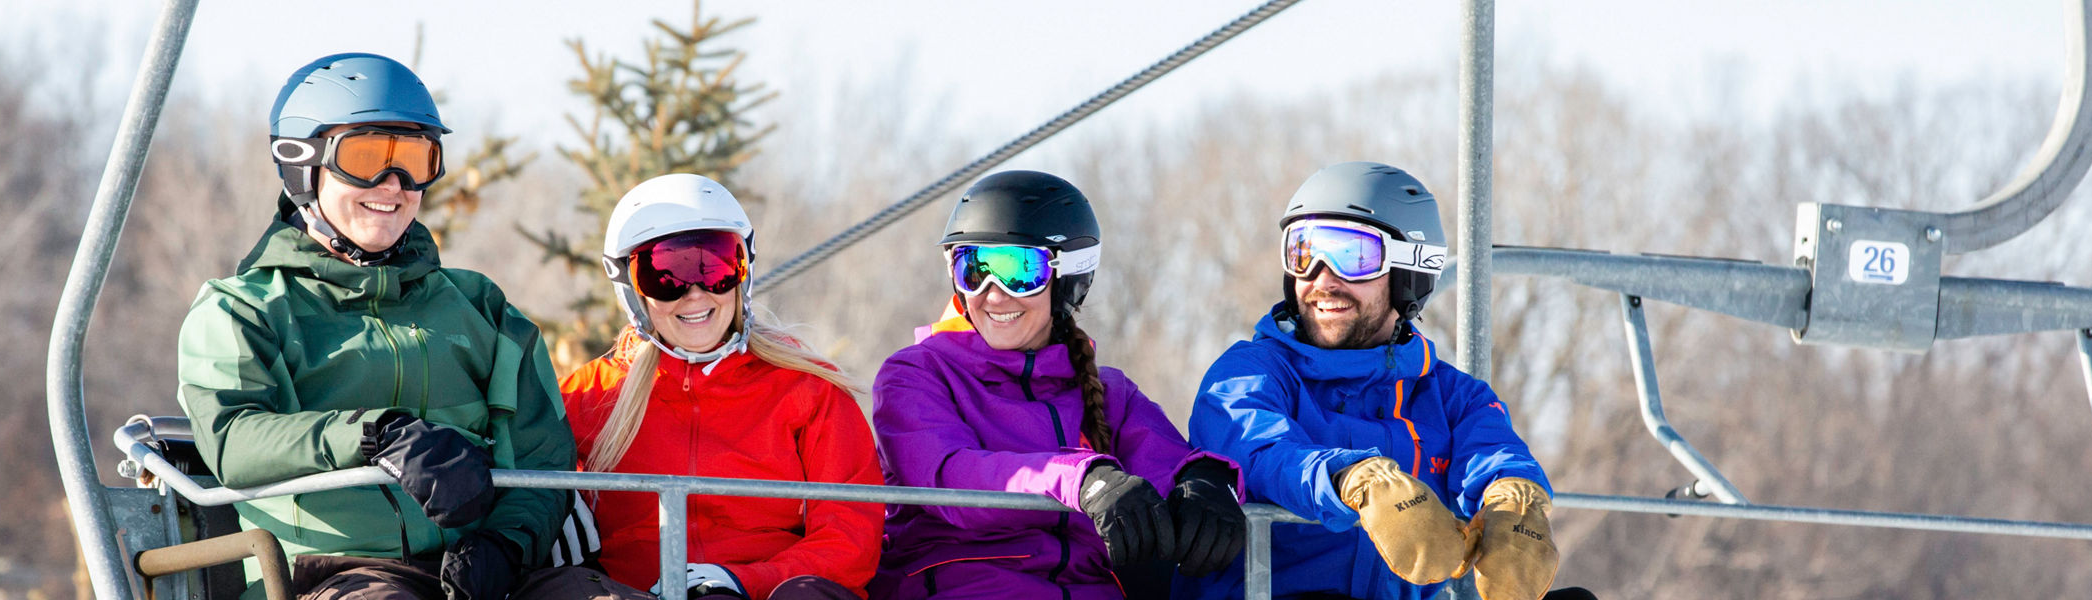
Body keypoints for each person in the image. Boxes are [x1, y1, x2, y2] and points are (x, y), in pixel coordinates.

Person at [177, 52, 575, 600]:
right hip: (331, 573)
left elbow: (541, 458)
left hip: (479, 569)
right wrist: (375, 433)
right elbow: (232, 440)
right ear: (301, 163)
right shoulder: (245, 311)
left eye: (415, 159)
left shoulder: (477, 306)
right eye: (366, 158)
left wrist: (504, 547)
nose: (394, 184)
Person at [1178, 162, 1557, 600]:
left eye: (1353, 256)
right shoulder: (1252, 373)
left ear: (1409, 272)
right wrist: (1350, 479)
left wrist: (1514, 500)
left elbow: (1492, 452)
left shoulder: (1451, 396)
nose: (1321, 279)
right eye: (1303, 252)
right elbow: (1261, 450)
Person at [868, 171, 1249, 599]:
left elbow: (1166, 459)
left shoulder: (1108, 393)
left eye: (1019, 270)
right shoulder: (918, 376)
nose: (993, 294)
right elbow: (952, 480)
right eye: (973, 268)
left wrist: (1206, 483)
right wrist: (1081, 481)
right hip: (960, 586)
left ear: (1069, 278)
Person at [526, 174, 885, 600]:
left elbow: (850, 537)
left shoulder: (807, 391)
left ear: (743, 272)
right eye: (665, 276)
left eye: (714, 266)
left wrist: (744, 580)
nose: (695, 294)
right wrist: (543, 508)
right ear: (629, 288)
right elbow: (510, 465)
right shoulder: (588, 397)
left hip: (762, 590)